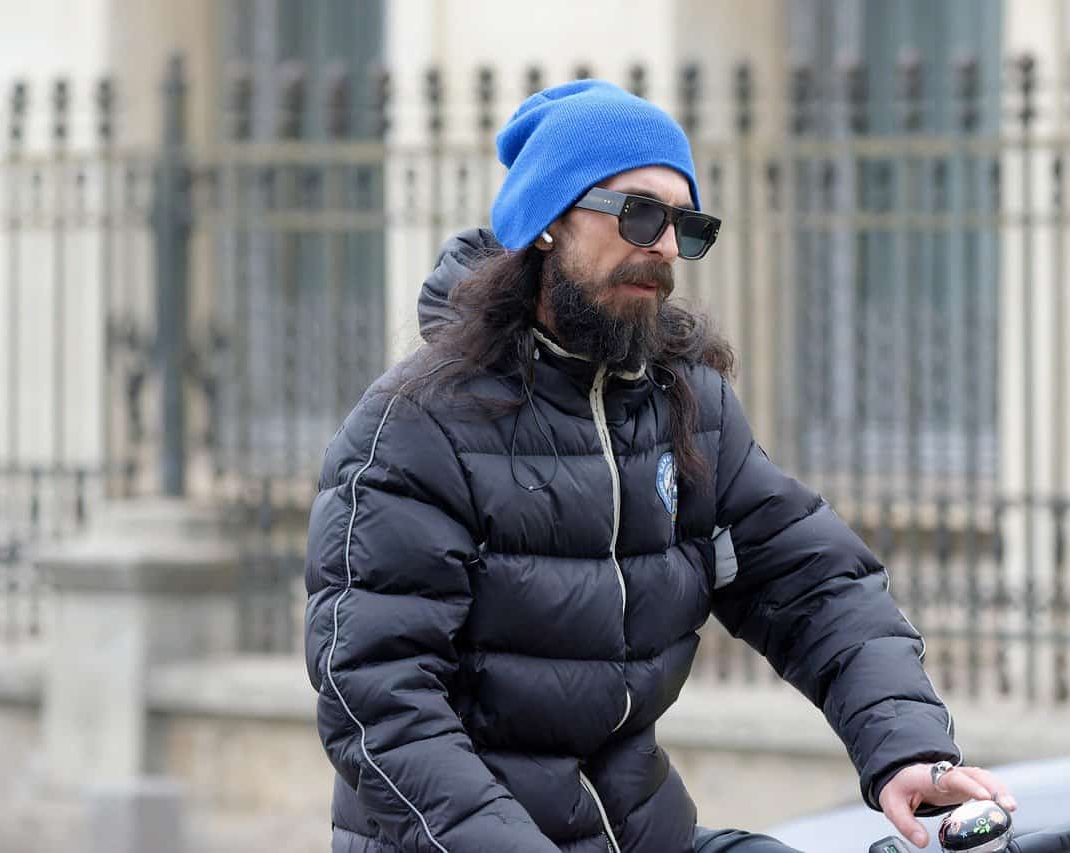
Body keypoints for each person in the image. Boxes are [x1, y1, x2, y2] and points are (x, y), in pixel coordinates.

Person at [303, 79, 1016, 853]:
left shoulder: (683, 401)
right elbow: (379, 702)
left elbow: (812, 584)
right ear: (546, 223)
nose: (667, 247)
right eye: (640, 214)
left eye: (686, 225)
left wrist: (905, 747)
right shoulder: (415, 427)